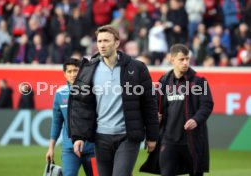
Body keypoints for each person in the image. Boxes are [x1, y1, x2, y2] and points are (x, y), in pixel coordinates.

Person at [68, 25, 160, 176]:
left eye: (106, 41)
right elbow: (80, 105)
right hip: (101, 137)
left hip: (128, 137)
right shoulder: (89, 69)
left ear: (117, 43)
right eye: (99, 41)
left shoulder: (137, 68)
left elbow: (149, 103)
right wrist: (78, 137)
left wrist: (152, 136)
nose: (102, 45)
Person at [158, 44, 214, 176]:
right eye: (181, 59)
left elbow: (207, 105)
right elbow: (157, 105)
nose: (185, 62)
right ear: (172, 60)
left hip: (192, 140)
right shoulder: (164, 81)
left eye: (187, 59)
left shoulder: (199, 81)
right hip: (169, 139)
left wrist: (196, 119)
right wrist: (157, 115)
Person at [46, 59, 95, 176]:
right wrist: (51, 147)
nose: (73, 74)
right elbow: (57, 122)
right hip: (70, 149)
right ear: (64, 74)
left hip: (93, 148)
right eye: (69, 71)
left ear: (81, 72)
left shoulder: (93, 91)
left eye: (76, 71)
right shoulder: (60, 93)